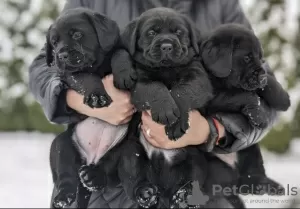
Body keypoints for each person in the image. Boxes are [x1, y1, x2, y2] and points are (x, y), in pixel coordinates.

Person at [29, 0, 277, 208]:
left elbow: (265, 92)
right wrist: (83, 99)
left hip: (201, 187)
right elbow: (44, 66)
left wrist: (211, 130)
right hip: (104, 189)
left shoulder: (220, 4)